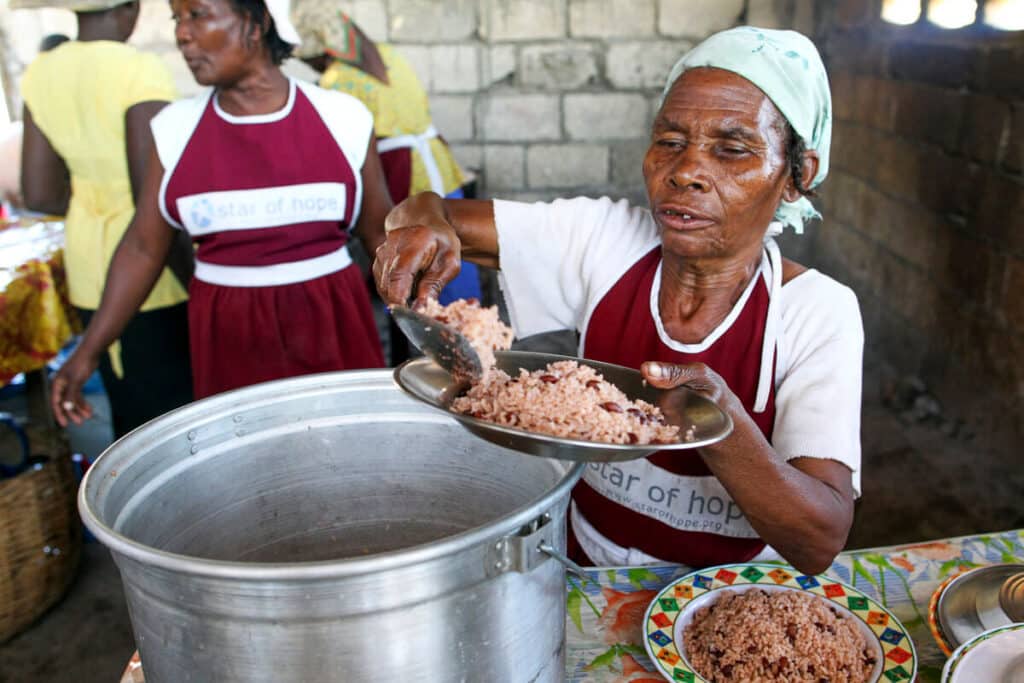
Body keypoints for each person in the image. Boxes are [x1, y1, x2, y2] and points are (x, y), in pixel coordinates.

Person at [374, 27, 862, 576]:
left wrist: (717, 419)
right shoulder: (605, 240)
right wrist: (418, 231)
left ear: (798, 175)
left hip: (727, 590)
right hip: (585, 564)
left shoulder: (817, 311)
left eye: (731, 150)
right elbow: (423, 210)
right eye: (670, 142)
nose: (686, 172)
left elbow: (820, 539)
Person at [51, 0, 391, 425]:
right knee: (248, 470)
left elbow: (380, 235)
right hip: (229, 334)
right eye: (178, 18)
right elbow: (142, 247)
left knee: (349, 455)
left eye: (198, 14)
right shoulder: (175, 130)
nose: (182, 34)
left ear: (257, 22)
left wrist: (435, 318)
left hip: (332, 323)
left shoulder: (343, 118)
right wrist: (89, 350)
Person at [19, 0, 193, 437]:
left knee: (127, 409)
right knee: (169, 417)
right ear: (130, 9)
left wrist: (92, 191)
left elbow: (39, 193)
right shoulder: (138, 68)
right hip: (147, 267)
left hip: (86, 264)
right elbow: (151, 194)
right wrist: (197, 280)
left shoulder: (42, 71)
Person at [291, 4, 480, 363]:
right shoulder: (391, 55)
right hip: (438, 170)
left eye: (313, 60)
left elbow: (345, 145)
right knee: (455, 253)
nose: (314, 68)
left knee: (408, 269)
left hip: (401, 179)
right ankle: (472, 340)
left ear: (324, 52)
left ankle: (425, 358)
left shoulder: (336, 81)